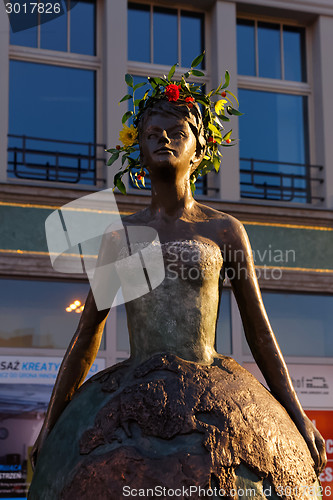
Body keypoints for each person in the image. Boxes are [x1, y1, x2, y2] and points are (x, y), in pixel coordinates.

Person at [29, 86, 326, 499]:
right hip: (135, 400)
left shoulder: (223, 230)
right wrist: (51, 425)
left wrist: (298, 414)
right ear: (140, 150)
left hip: (211, 396)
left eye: (176, 132)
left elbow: (259, 330)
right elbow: (87, 335)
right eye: (152, 134)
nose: (163, 140)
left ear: (200, 151)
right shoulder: (123, 235)